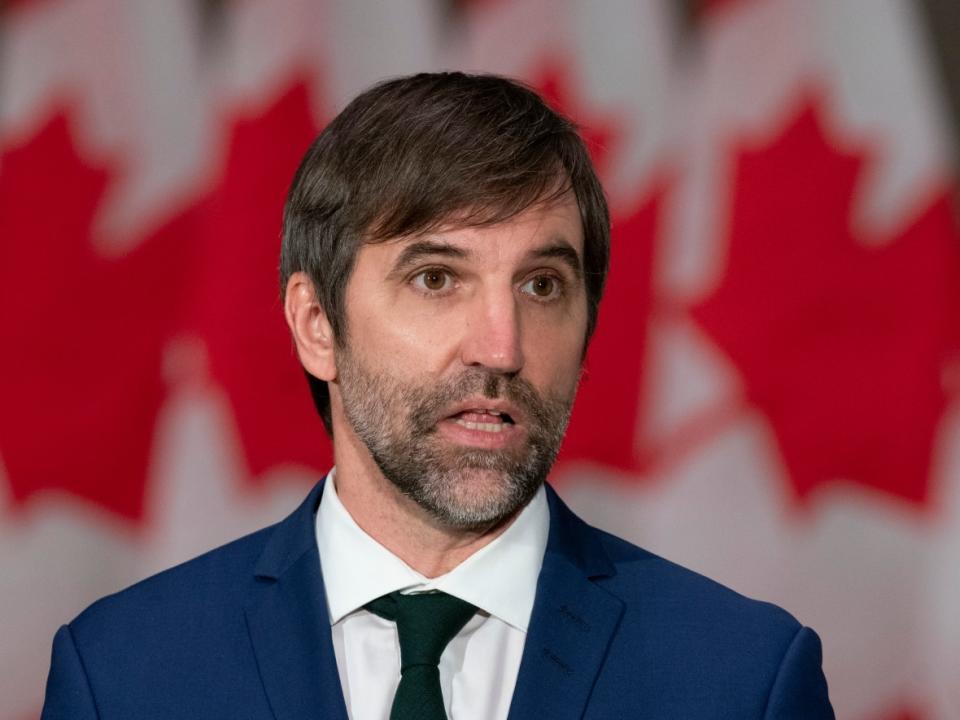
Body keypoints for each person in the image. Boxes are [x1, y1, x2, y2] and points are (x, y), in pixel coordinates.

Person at [41, 72, 834, 719]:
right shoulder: (124, 675)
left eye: (543, 284)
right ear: (317, 325)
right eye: (436, 278)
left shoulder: (742, 679)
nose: (503, 346)